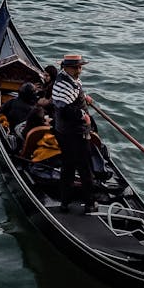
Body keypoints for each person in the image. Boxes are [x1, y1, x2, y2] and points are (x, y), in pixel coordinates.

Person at [52, 53, 95, 214]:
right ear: (65, 68)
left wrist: (85, 97)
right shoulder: (63, 84)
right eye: (76, 68)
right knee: (84, 168)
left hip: (65, 132)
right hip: (75, 134)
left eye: (80, 67)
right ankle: (90, 204)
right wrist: (83, 116)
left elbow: (74, 94)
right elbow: (64, 108)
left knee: (68, 167)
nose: (79, 70)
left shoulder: (68, 80)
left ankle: (64, 203)